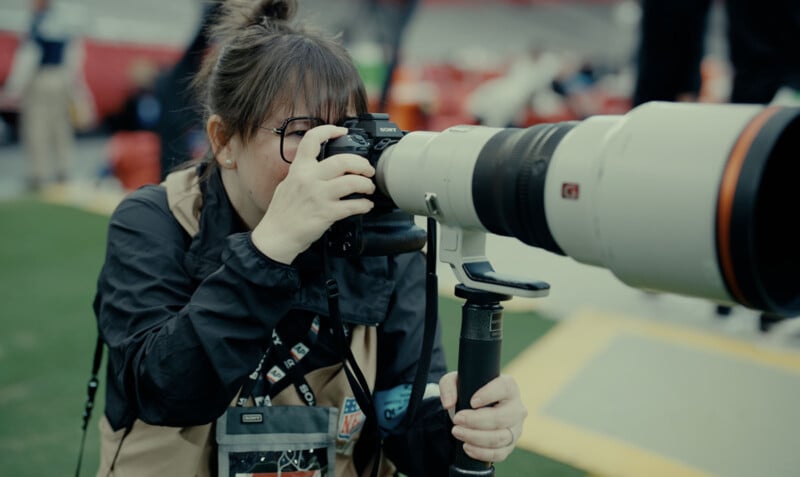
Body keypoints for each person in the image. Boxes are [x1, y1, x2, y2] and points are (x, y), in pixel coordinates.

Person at [92, 1, 527, 476]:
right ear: (222, 141)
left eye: (344, 134)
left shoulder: (383, 241)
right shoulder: (155, 221)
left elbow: (401, 423)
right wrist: (270, 248)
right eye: (301, 133)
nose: (327, 157)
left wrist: (463, 426)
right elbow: (167, 392)